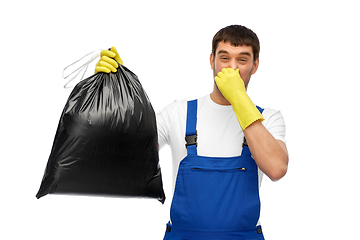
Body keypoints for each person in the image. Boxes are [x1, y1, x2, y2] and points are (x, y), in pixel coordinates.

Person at [95, 25, 289, 240]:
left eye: (242, 60)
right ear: (212, 61)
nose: (232, 68)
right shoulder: (178, 112)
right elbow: (123, 155)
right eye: (224, 58)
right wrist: (112, 94)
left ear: (255, 65)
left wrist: (240, 100)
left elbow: (276, 168)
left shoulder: (269, 118)